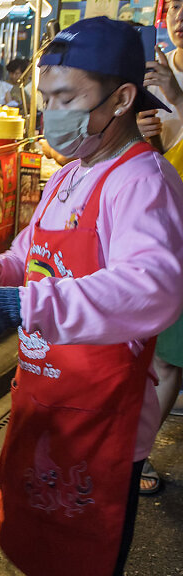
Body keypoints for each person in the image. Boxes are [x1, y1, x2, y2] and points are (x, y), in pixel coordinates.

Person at [0, 17, 183, 575]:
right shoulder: (73, 172)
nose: (51, 114)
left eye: (66, 98)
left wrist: (22, 307)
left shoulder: (142, 181)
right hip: (44, 400)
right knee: (34, 549)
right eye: (45, 98)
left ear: (120, 99)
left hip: (102, 423)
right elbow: (33, 259)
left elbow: (154, 288)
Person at [136, 0, 183, 495]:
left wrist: (178, 101)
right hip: (157, 227)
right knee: (146, 350)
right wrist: (146, 137)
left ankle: (138, 451)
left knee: (170, 358)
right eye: (175, 4)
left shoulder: (168, 82)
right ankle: (133, 447)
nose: (181, 14)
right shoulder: (155, 71)